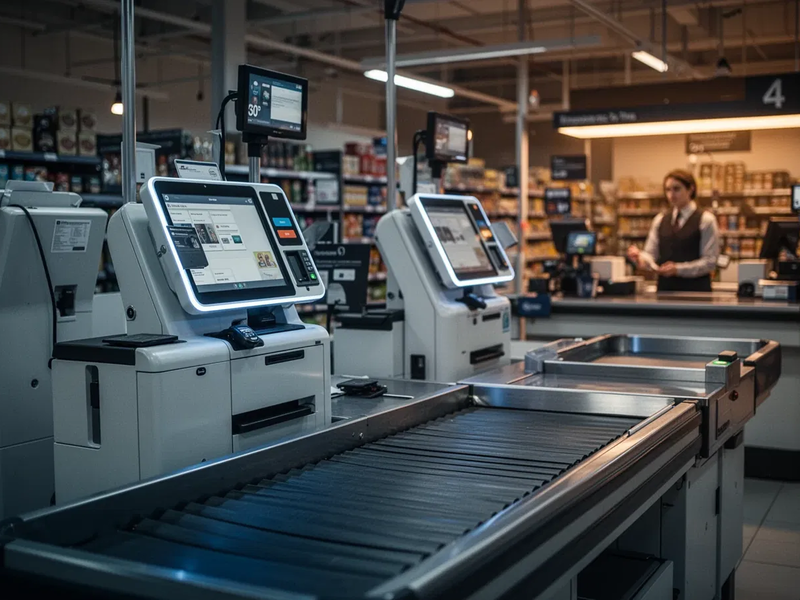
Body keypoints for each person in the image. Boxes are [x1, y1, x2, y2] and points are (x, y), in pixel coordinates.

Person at [627, 169, 720, 292]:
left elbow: (710, 262)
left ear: (690, 189)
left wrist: (678, 269)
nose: (671, 194)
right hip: (665, 292)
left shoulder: (706, 220)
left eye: (676, 189)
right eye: (668, 190)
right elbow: (651, 255)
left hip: (697, 294)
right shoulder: (660, 220)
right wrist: (640, 257)